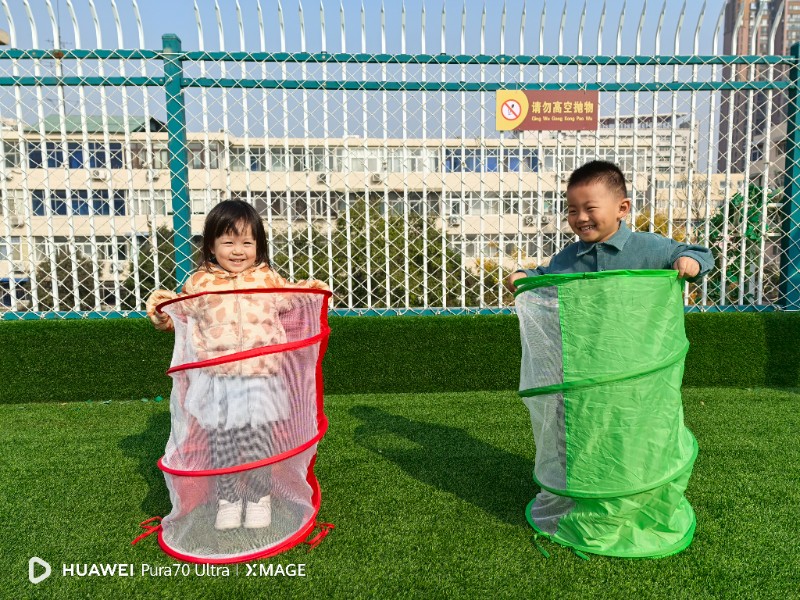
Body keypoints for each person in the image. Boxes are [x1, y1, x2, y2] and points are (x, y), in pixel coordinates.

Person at [146, 200, 328, 531]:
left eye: (247, 242)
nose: (238, 250)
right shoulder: (200, 283)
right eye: (228, 242)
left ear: (258, 245)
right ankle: (228, 499)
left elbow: (293, 299)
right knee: (223, 441)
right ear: (211, 246)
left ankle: (258, 498)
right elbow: (179, 316)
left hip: (261, 377)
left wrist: (313, 291)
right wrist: (162, 310)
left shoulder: (268, 279)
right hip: (219, 379)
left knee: (259, 440)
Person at [506, 160, 714, 291]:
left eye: (590, 208)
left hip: (642, 347)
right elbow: (545, 276)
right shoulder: (567, 258)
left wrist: (690, 260)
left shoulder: (651, 248)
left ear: (622, 208)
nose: (581, 218)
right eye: (572, 210)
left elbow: (700, 254)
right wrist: (524, 277)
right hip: (587, 348)